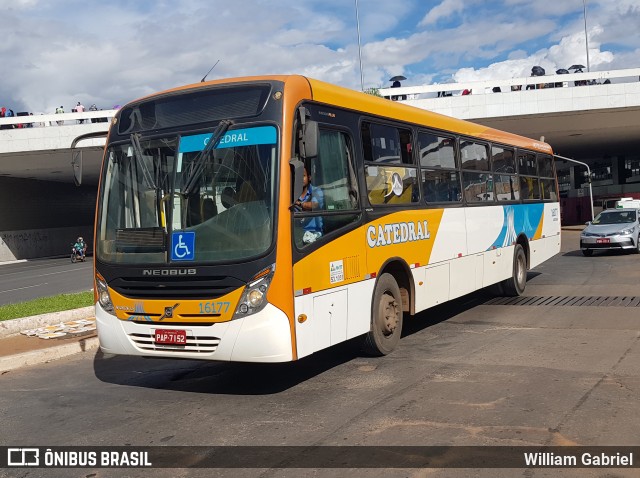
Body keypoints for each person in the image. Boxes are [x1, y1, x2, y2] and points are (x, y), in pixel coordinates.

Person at [294, 167, 324, 244]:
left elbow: (314, 205)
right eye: (298, 177)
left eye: (303, 176)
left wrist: (300, 204)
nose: (300, 179)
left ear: (309, 177)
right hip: (298, 234)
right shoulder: (292, 195)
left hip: (315, 234)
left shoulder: (316, 191)